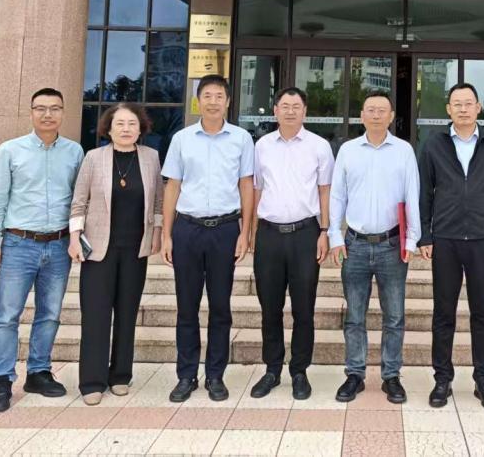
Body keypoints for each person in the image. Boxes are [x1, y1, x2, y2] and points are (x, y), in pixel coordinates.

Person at [0, 88, 84, 413]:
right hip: (18, 243)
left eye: (54, 108)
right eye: (40, 108)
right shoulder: (10, 150)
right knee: (7, 315)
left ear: (63, 112)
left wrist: (76, 238)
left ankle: (39, 372)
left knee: (50, 314)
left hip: (58, 244)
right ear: (31, 112)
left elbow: (78, 199)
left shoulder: (74, 152)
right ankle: (2, 380)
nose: (47, 114)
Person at [417, 82, 484, 411]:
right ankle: (442, 379)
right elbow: (424, 192)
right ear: (448, 109)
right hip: (445, 240)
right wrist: (425, 235)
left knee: (482, 313)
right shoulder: (434, 144)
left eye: (468, 103)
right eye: (456, 103)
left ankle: (483, 379)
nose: (462, 108)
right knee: (443, 313)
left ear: (478, 108)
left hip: (481, 240)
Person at [160, 74, 255, 403]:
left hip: (225, 230)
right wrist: (167, 234)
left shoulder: (241, 139)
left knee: (220, 307)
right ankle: (186, 375)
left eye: (219, 96)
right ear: (198, 100)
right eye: (207, 96)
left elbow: (246, 185)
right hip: (187, 229)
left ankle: (216, 375)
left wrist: (245, 232)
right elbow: (172, 186)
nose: (213, 101)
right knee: (186, 307)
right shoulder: (182, 139)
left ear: (228, 101)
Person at [68, 104, 164, 405]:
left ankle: (121, 375)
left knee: (127, 313)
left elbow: (158, 202)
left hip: (135, 250)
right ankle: (92, 381)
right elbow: (79, 201)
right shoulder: (94, 158)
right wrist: (74, 238)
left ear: (141, 128)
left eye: (132, 123)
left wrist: (157, 235)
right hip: (99, 249)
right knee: (95, 315)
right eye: (119, 123)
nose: (126, 129)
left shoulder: (150, 158)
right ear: (108, 129)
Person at [329, 91, 420, 405]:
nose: (377, 115)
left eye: (383, 110)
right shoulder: (348, 150)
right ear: (362, 115)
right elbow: (337, 196)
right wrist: (335, 235)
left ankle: (391, 375)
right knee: (355, 316)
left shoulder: (404, 151)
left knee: (394, 316)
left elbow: (412, 194)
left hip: (392, 245)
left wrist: (412, 239)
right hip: (354, 244)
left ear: (392, 116)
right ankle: (354, 374)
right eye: (371, 109)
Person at [249, 86, 334, 401]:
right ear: (275, 110)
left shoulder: (319, 146)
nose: (290, 111)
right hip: (269, 234)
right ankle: (272, 369)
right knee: (269, 307)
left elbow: (325, 191)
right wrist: (251, 231)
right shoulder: (262, 146)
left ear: (305, 111)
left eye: (296, 106)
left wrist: (325, 230)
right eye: (284, 106)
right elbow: (256, 189)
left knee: (303, 308)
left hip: (305, 234)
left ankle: (299, 371)